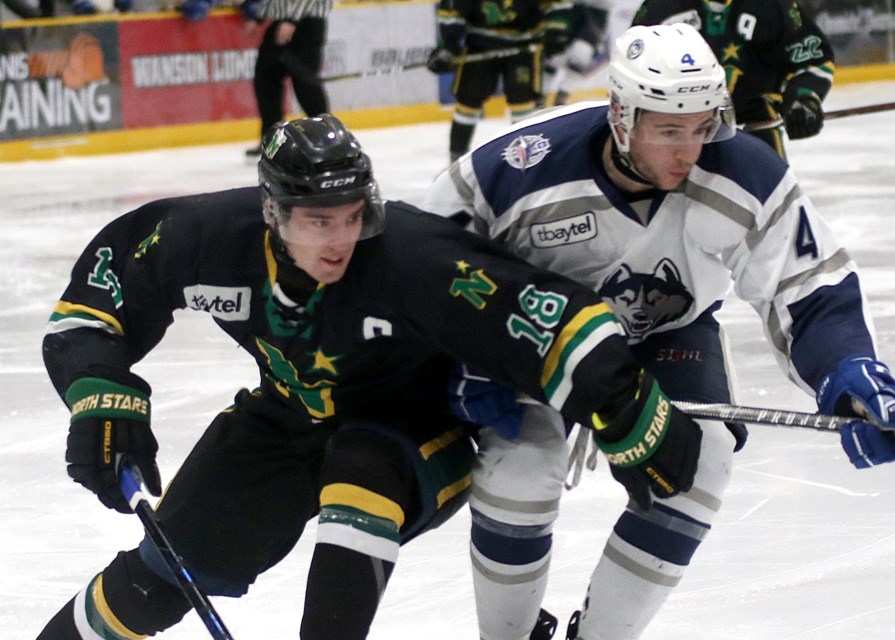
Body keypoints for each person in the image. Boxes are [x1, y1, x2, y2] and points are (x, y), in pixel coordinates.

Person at [36, 114, 706, 640]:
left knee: (361, 472)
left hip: (414, 431)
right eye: (317, 220)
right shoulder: (210, 237)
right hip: (285, 419)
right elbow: (102, 290)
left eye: (351, 216)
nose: (338, 239)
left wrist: (624, 402)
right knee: (155, 581)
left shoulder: (409, 257)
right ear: (272, 212)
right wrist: (101, 395)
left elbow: (543, 313)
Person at [421, 24, 895, 639]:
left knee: (703, 462)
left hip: (669, 331)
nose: (689, 151)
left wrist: (846, 366)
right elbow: (424, 262)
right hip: (539, 340)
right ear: (620, 116)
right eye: (668, 131)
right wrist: (459, 357)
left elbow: (808, 286)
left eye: (702, 126)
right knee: (519, 471)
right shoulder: (517, 166)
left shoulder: (743, 172)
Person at [632, 0, 835, 161]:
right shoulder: (661, 7)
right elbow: (632, 70)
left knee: (770, 210)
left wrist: (804, 98)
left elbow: (812, 60)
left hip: (755, 138)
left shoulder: (771, 5)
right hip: (678, 137)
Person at [179, 0, 332, 160]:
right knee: (265, 80)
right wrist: (258, 17)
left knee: (305, 85)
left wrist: (291, 20)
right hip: (281, 22)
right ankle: (273, 141)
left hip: (305, 23)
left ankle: (327, 136)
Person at [425, 0, 572, 164]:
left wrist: (556, 31)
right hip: (480, 44)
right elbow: (452, 8)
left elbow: (557, 5)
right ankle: (456, 161)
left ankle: (528, 162)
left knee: (522, 101)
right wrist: (449, 44)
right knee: (468, 100)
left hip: (525, 45)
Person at [540, 0, 613, 107]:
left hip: (597, 10)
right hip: (565, 7)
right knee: (554, 54)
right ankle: (541, 96)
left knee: (582, 53)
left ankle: (563, 95)